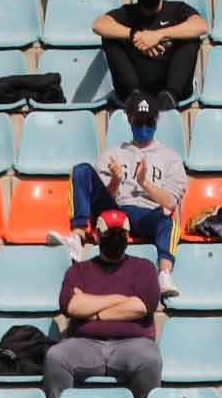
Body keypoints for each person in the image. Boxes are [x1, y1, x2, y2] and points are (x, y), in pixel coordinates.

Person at [44, 208, 164, 398]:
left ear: (128, 237)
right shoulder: (78, 270)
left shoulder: (144, 268)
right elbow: (70, 305)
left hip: (133, 344)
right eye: (109, 234)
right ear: (97, 236)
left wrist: (93, 311)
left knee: (150, 360)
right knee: (56, 357)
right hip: (84, 344)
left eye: (120, 235)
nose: (115, 239)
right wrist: (119, 298)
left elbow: (142, 306)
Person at [60, 93, 184, 296]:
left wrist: (144, 183)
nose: (144, 127)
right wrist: (116, 180)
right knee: (81, 170)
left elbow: (170, 202)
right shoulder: (112, 154)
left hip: (147, 213)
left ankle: (164, 274)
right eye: (139, 122)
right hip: (116, 211)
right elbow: (100, 199)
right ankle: (77, 237)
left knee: (169, 221)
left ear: (156, 122)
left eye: (149, 122)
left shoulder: (171, 158)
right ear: (129, 120)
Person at [92, 0, 204, 111]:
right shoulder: (127, 13)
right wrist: (135, 35)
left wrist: (158, 35)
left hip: (172, 86)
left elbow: (201, 25)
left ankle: (170, 95)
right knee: (110, 37)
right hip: (135, 85)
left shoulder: (177, 9)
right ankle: (134, 94)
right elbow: (99, 25)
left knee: (191, 38)